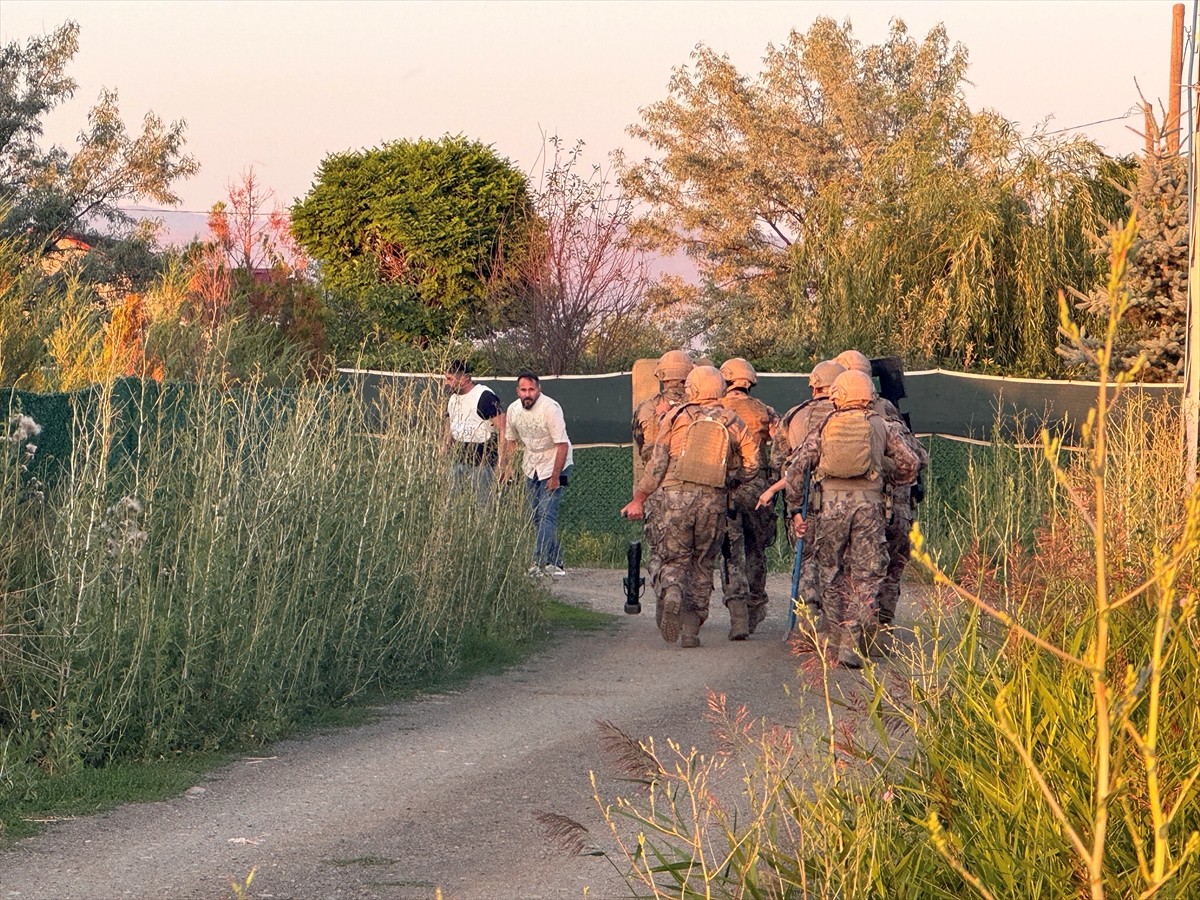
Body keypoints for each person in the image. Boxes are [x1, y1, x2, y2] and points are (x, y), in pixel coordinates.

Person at [786, 370, 919, 668]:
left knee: (830, 570)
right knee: (867, 575)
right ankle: (852, 636)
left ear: (839, 395)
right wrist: (890, 479)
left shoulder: (825, 425)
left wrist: (796, 510)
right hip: (870, 508)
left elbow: (796, 469)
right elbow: (911, 462)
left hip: (830, 507)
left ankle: (834, 635)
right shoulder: (882, 425)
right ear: (869, 395)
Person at [620, 366, 758, 649]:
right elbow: (753, 464)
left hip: (674, 499)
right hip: (713, 501)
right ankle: (691, 630)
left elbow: (657, 464)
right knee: (703, 563)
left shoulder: (675, 417)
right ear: (719, 388)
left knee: (674, 559)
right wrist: (731, 480)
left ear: (692, 390)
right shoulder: (732, 420)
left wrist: (639, 498)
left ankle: (671, 591)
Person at [757, 359, 844, 629]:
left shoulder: (794, 415)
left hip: (805, 498)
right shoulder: (849, 414)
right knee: (840, 559)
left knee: (806, 556)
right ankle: (837, 620)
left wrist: (791, 505)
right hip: (841, 500)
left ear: (814, 385)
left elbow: (782, 463)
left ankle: (809, 616)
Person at [717, 357, 779, 638]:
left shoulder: (716, 410)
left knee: (731, 551)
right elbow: (782, 446)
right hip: (758, 490)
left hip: (725, 488)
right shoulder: (765, 411)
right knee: (756, 550)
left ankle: (737, 615)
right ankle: (755, 605)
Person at [632, 350, 694, 625]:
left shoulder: (646, 409)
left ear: (661, 376)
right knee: (693, 557)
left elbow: (642, 447)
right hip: (695, 490)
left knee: (661, 551)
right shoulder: (699, 407)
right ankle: (690, 616)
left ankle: (666, 594)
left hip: (658, 489)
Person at [502, 371, 573, 577]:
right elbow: (511, 441)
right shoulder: (514, 410)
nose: (527, 394)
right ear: (517, 391)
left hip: (555, 461)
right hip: (531, 463)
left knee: (546, 514)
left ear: (538, 389)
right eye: (523, 390)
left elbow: (562, 445)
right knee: (535, 515)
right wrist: (507, 466)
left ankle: (538, 562)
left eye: (531, 390)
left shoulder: (550, 408)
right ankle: (556, 561)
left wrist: (555, 477)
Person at [443, 359, 506, 500]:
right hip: (458, 460)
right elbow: (449, 426)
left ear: (464, 378)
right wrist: (444, 450)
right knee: (453, 503)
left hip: (482, 462)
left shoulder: (484, 396)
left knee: (482, 507)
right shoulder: (452, 398)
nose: (447, 383)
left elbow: (503, 428)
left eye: (450, 379)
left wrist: (502, 463)